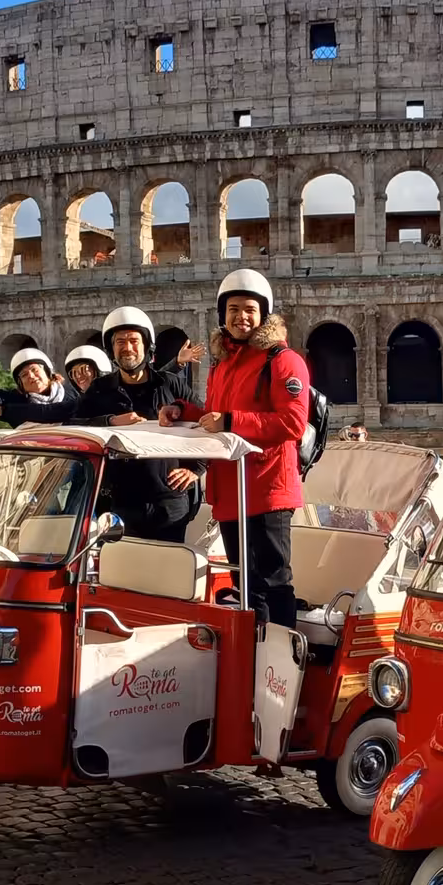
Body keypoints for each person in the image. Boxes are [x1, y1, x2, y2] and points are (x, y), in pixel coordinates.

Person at [162, 268, 309, 630]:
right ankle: (253, 656)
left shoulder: (283, 360)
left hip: (267, 487)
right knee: (245, 584)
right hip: (231, 491)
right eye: (233, 310)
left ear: (263, 314)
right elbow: (215, 414)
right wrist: (184, 412)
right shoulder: (224, 363)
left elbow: (292, 424)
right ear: (222, 316)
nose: (241, 317)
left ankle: (283, 660)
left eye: (248, 310)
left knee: (274, 582)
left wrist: (229, 421)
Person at [78, 307, 202, 542]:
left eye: (134, 340)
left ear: (147, 345)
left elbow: (205, 420)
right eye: (120, 342)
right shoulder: (99, 389)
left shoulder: (171, 384)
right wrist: (110, 421)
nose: (127, 348)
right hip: (118, 501)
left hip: (169, 501)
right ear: (111, 349)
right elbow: (73, 426)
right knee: (122, 573)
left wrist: (196, 469)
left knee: (168, 570)